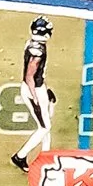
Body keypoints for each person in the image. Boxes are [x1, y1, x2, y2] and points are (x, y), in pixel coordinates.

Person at [12, 15, 57, 169]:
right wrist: (36, 97)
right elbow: (30, 75)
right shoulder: (37, 51)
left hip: (38, 87)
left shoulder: (32, 44)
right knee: (44, 127)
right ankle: (20, 156)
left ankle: (46, 156)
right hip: (34, 90)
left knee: (46, 122)